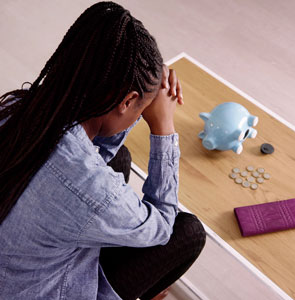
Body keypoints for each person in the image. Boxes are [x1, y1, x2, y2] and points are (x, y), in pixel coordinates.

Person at [0, 2, 206, 299]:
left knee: (118, 158)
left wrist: (141, 93)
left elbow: (85, 158)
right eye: (141, 109)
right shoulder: (92, 188)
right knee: (187, 233)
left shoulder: (19, 109)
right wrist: (163, 126)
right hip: (45, 290)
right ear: (127, 101)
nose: (140, 115)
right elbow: (162, 226)